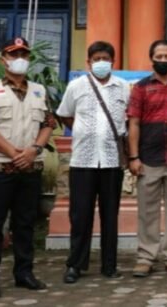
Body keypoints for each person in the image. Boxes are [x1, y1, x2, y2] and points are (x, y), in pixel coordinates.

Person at [0, 37, 56, 298]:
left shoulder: (39, 91)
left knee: (25, 224)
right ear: (3, 60)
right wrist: (13, 153)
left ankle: (24, 273)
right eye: (13, 54)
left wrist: (34, 150)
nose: (19, 59)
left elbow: (48, 124)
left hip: (30, 167)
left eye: (23, 55)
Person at [58, 41, 130, 283]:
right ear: (88, 62)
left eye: (105, 59)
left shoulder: (123, 87)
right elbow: (65, 115)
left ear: (113, 61)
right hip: (83, 161)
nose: (101, 63)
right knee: (80, 216)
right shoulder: (76, 86)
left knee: (110, 215)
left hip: (112, 161)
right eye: (97, 59)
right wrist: (83, 130)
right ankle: (75, 265)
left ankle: (109, 265)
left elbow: (129, 120)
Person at [127, 40, 167, 277]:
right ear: (152, 59)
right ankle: (146, 257)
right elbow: (134, 123)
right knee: (147, 211)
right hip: (148, 158)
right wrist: (133, 156)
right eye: (159, 57)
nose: (163, 60)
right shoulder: (141, 88)